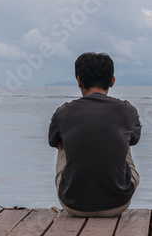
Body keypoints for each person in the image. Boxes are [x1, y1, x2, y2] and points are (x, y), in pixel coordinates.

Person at [48, 52, 141, 217]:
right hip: (118, 204)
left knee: (61, 142)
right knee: (124, 140)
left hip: (73, 206)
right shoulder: (128, 110)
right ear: (112, 81)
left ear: (78, 80)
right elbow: (134, 140)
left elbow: (53, 141)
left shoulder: (63, 112)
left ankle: (77, 189)